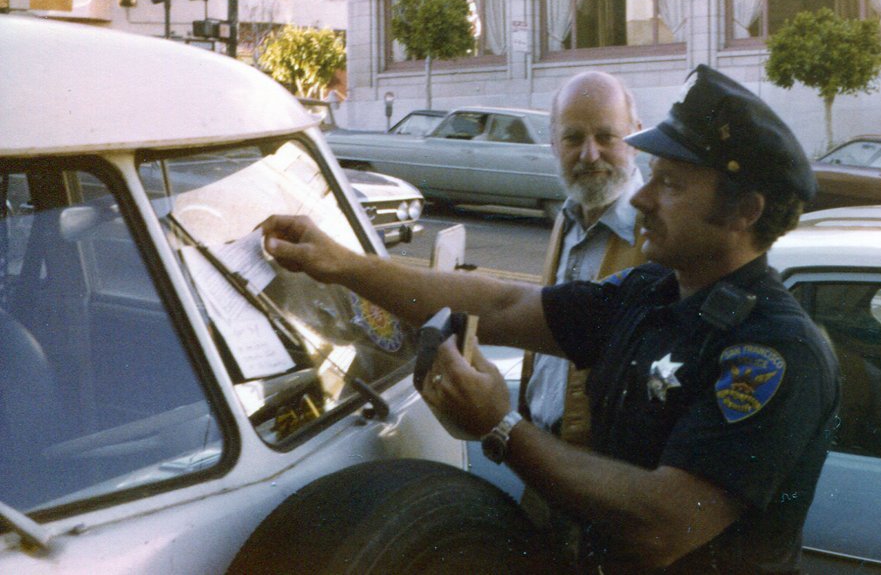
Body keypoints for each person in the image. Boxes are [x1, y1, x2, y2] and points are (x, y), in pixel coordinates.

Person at [261, 64, 840, 573]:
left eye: (670, 184)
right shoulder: (653, 290)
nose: (642, 199)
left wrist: (501, 428)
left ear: (744, 211)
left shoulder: (776, 351)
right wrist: (339, 264)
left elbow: (661, 527)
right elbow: (503, 305)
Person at [522, 71, 646, 442]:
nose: (590, 155)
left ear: (636, 137)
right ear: (553, 144)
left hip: (603, 474)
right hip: (543, 452)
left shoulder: (659, 231)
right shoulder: (568, 217)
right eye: (573, 138)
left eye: (606, 136)